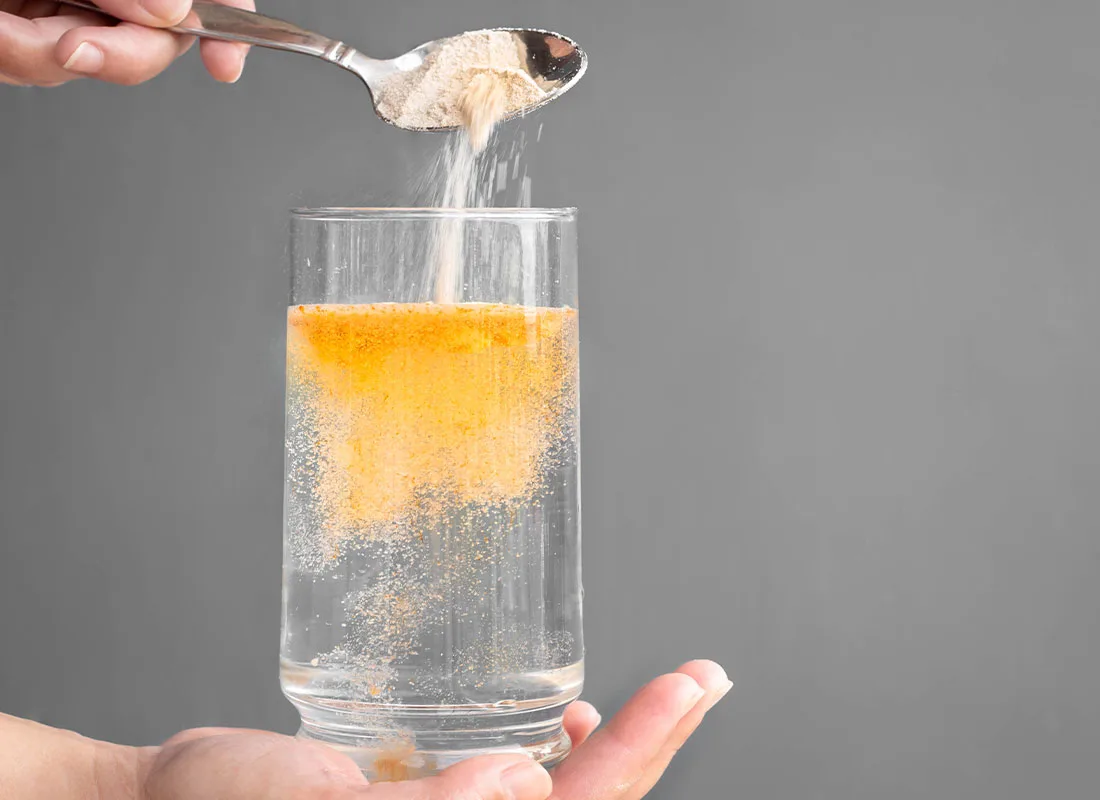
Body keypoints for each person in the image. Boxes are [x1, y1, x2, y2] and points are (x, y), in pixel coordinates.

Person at [0, 3, 732, 797]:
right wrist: (124, 785)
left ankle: (506, 713)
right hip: (337, 731)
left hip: (524, 724)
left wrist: (115, 784)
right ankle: (364, 711)